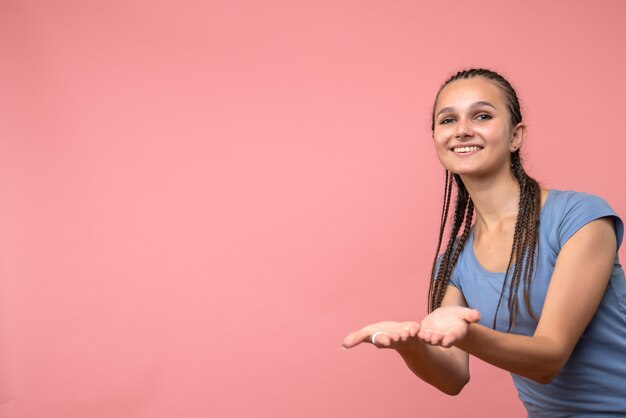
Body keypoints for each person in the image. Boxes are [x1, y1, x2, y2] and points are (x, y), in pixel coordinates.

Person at [342, 68, 626, 417]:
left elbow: (549, 358)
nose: (462, 129)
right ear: (435, 138)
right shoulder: (454, 261)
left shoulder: (580, 218)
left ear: (515, 136)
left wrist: (466, 333)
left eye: (482, 115)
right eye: (448, 120)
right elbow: (452, 377)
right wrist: (412, 345)